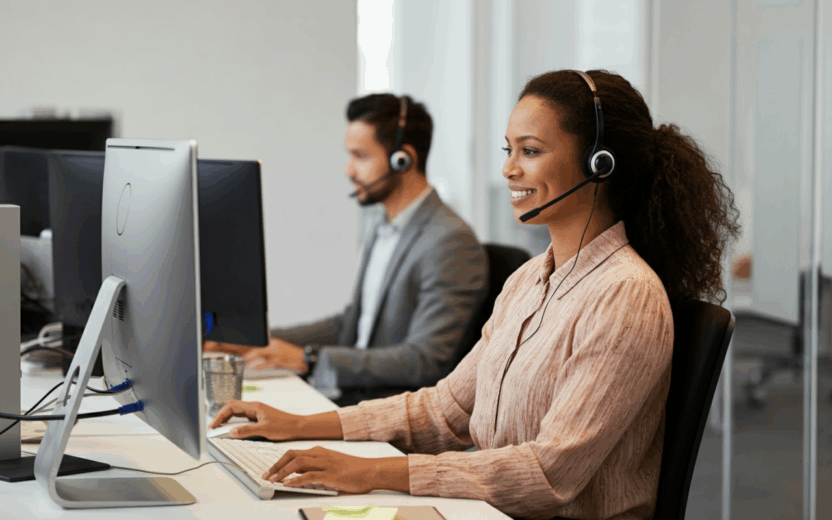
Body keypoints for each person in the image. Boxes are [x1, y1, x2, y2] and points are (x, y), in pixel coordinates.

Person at [208, 70, 740, 520]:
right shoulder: (531, 278)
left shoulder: (625, 295)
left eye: (530, 151)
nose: (509, 168)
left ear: (599, 163)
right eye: (509, 150)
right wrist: (302, 426)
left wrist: (374, 471)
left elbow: (547, 473)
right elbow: (447, 408)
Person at [205, 93, 487, 406]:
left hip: (391, 411)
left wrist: (309, 359)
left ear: (402, 158)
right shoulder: (384, 227)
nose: (348, 170)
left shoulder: (450, 241)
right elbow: (351, 324)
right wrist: (254, 341)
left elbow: (424, 359)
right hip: (351, 397)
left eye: (360, 156)